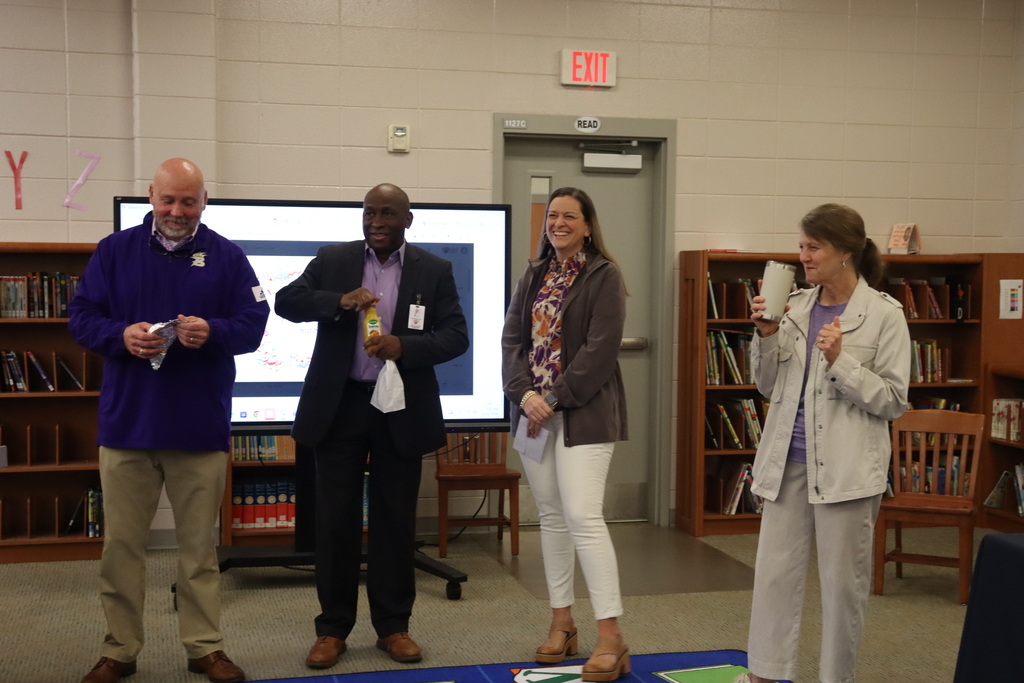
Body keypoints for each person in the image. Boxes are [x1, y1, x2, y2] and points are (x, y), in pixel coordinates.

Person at [69, 158, 270, 683]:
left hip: (198, 426)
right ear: (151, 198)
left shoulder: (228, 256)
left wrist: (216, 332)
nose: (177, 211)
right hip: (127, 426)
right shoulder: (114, 251)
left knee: (199, 549)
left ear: (205, 201)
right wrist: (121, 337)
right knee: (121, 548)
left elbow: (254, 325)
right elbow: (82, 317)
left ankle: (204, 647)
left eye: (188, 201)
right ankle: (120, 649)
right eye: (168, 200)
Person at [275, 183, 468, 670]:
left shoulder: (434, 269)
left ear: (408, 218)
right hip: (340, 407)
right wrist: (339, 301)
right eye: (369, 212)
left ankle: (393, 627)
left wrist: (406, 346)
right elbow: (287, 302)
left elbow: (455, 336)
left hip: (400, 408)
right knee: (335, 520)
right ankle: (333, 630)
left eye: (387, 213)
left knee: (394, 521)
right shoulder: (334, 259)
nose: (376, 221)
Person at [734, 204, 911, 683]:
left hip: (848, 472)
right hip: (787, 465)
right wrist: (767, 335)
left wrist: (841, 362)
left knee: (842, 590)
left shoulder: (884, 316)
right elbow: (768, 386)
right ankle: (765, 675)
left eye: (813, 247)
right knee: (772, 580)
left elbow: (894, 400)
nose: (803, 256)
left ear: (845, 254)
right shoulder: (795, 307)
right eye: (801, 246)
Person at [501, 187, 630, 682]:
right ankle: (562, 624)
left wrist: (550, 398)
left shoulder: (604, 275)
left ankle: (611, 635)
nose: (559, 223)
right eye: (552, 215)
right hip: (532, 414)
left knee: (582, 516)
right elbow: (513, 340)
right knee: (551, 519)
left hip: (584, 414)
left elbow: (600, 351)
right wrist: (523, 394)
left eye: (569, 216)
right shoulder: (534, 274)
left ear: (588, 225)